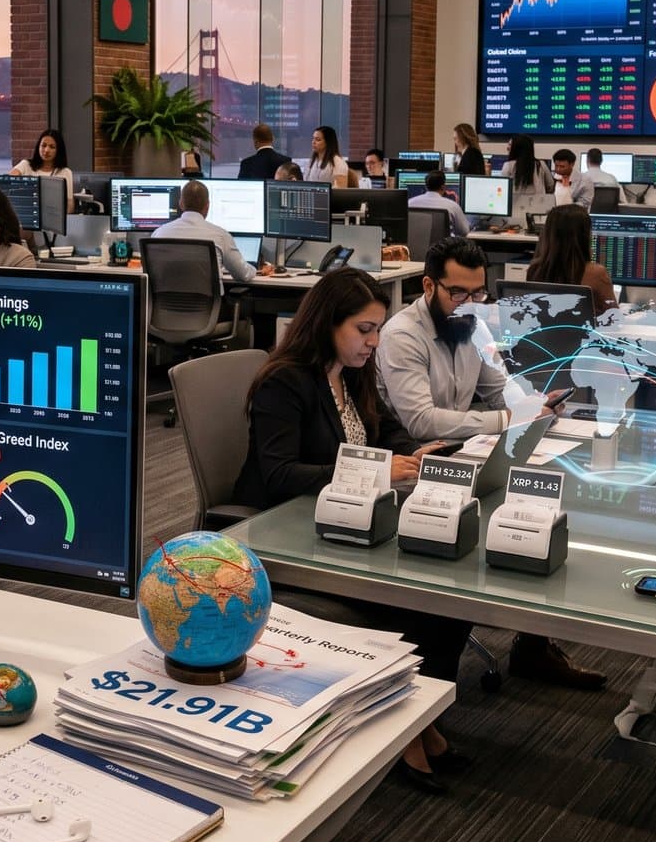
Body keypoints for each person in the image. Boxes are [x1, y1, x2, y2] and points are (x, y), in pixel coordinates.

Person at [231, 267, 471, 792]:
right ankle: (401, 737)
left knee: (452, 607)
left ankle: (422, 721)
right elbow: (278, 476)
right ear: (327, 323)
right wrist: (375, 469)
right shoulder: (285, 382)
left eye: (378, 328)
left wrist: (412, 452)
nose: (374, 340)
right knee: (420, 603)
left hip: (350, 522)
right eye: (364, 329)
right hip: (287, 530)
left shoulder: (351, 371)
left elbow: (381, 428)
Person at [374, 238, 606, 692]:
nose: (469, 304)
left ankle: (533, 647)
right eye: (458, 293)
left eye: (477, 294)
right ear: (428, 285)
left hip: (466, 455)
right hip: (418, 464)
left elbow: (499, 387)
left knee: (540, 504)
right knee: (518, 509)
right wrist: (506, 418)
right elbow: (419, 419)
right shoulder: (403, 335)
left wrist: (533, 404)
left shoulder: (470, 327)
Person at [149, 180, 271, 281]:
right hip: (206, 309)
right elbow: (243, 274)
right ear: (207, 206)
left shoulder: (158, 233)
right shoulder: (221, 235)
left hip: (164, 307)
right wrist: (257, 270)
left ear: (181, 204)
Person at [526, 204, 616, 312]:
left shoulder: (535, 270)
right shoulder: (596, 273)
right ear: (584, 237)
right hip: (583, 329)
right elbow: (614, 319)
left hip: (549, 329)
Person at [11, 128, 76, 209]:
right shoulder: (26, 165)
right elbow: (8, 180)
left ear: (58, 150)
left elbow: (69, 206)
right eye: (43, 145)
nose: (46, 150)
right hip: (28, 212)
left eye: (52, 147)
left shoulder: (65, 172)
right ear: (38, 146)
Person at [407, 170, 470, 236]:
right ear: (443, 187)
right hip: (444, 245)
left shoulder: (410, 203)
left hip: (417, 245)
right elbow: (464, 231)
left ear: (426, 186)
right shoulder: (453, 206)